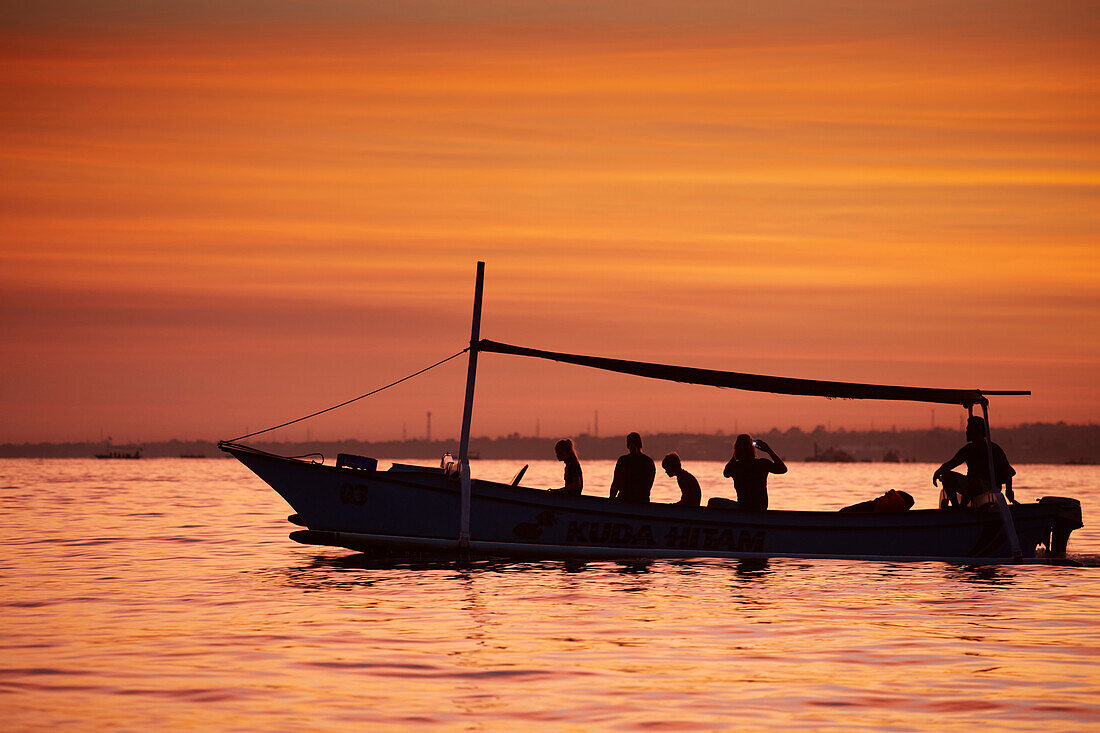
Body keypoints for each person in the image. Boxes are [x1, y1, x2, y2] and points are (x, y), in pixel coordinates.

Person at [933, 416, 1016, 508]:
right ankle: (956, 507)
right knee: (947, 476)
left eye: (969, 429)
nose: (967, 432)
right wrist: (939, 472)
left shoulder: (993, 449)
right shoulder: (968, 449)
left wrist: (1009, 491)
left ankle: (963, 506)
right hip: (971, 483)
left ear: (978, 431)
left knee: (974, 485)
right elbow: (952, 463)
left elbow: (1007, 471)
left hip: (987, 486)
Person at [719, 434, 787, 511]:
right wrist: (768, 449)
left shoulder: (735, 467)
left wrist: (736, 452)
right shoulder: (762, 464)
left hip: (743, 507)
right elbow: (783, 469)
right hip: (761, 508)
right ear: (752, 449)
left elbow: (726, 473)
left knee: (713, 502)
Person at [609, 432, 655, 504]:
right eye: (631, 444)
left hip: (639, 500)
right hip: (628, 499)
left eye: (635, 444)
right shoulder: (623, 460)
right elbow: (616, 482)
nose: (633, 446)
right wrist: (611, 498)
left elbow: (648, 486)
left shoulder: (647, 462)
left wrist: (611, 500)